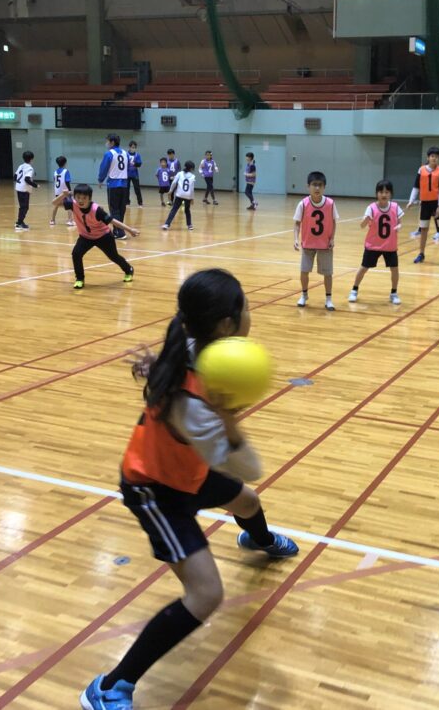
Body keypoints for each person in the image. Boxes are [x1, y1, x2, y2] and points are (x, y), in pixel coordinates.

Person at [79, 268, 299, 710]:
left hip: (186, 470)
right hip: (156, 489)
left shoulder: (196, 345)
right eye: (245, 306)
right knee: (206, 594)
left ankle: (258, 540)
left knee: (247, 501)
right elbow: (249, 466)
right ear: (226, 324)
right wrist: (229, 420)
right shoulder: (195, 403)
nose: (250, 312)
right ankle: (109, 687)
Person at [51, 184, 139, 289]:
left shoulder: (96, 210)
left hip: (103, 236)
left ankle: (128, 269)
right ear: (75, 197)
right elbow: (54, 203)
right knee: (76, 254)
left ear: (89, 198)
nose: (80, 200)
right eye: (78, 197)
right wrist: (63, 195)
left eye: (84, 198)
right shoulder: (73, 204)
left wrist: (130, 230)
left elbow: (112, 221)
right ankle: (79, 279)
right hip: (85, 237)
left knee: (113, 256)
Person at [348, 180, 403, 305]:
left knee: (394, 269)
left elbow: (400, 222)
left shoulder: (395, 207)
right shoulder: (371, 208)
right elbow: (362, 226)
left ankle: (394, 293)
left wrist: (399, 226)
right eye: (381, 192)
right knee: (363, 268)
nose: (384, 194)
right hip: (373, 245)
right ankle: (354, 290)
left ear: (391, 194)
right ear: (376, 193)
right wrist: (366, 219)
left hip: (389, 245)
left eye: (387, 192)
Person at [293, 171, 339, 311]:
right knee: (304, 271)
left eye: (320, 185)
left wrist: (332, 238)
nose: (317, 188)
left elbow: (334, 222)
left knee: (328, 273)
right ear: (308, 186)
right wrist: (295, 239)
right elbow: (297, 223)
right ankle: (304, 295)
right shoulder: (303, 204)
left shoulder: (330, 204)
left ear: (324, 187)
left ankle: (329, 299)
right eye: (314, 185)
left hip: (325, 244)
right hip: (308, 244)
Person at [406, 146, 439, 263]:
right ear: (428, 157)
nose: (434, 158)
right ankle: (421, 253)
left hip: (437, 202)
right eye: (432, 156)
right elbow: (416, 186)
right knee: (424, 229)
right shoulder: (421, 170)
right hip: (425, 203)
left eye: (436, 157)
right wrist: (411, 200)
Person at [98, 134, 130, 239]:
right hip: (124, 185)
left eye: (107, 141)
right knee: (121, 209)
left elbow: (103, 168)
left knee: (114, 209)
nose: (106, 143)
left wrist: (100, 179)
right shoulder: (126, 153)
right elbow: (128, 168)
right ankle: (118, 230)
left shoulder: (109, 154)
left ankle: (120, 232)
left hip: (113, 185)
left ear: (112, 142)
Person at [163, 161, 197, 231]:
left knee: (174, 210)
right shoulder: (192, 176)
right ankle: (190, 225)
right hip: (188, 196)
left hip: (179, 195)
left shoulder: (180, 173)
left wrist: (170, 191)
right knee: (187, 210)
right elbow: (192, 189)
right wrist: (192, 198)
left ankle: (166, 224)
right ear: (191, 169)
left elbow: (174, 183)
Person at [14, 151, 38, 232]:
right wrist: (35, 185)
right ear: (31, 159)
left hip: (18, 188)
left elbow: (15, 177)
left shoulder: (21, 166)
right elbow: (27, 179)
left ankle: (19, 221)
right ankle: (19, 223)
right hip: (24, 190)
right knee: (25, 207)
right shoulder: (30, 168)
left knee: (22, 206)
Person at [50, 155, 74, 227]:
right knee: (70, 205)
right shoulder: (66, 171)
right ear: (65, 163)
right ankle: (70, 221)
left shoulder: (55, 172)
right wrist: (70, 190)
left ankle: (52, 220)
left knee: (56, 205)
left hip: (57, 191)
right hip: (65, 191)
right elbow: (67, 181)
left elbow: (55, 180)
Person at [128, 141, 144, 208]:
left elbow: (139, 164)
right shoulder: (126, 154)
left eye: (134, 147)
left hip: (135, 174)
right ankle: (127, 202)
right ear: (129, 147)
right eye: (132, 147)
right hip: (127, 174)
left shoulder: (137, 155)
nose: (133, 149)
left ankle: (140, 203)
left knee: (137, 189)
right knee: (126, 189)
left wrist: (134, 163)